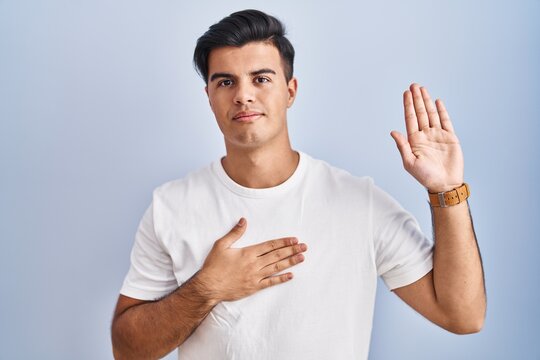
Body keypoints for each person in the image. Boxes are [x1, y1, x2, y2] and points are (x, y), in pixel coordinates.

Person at [111, 9, 486, 360]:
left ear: (290, 91)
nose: (243, 94)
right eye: (225, 81)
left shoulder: (360, 203)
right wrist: (207, 288)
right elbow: (127, 349)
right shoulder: (171, 206)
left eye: (261, 78)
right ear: (209, 97)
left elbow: (463, 316)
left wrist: (446, 192)